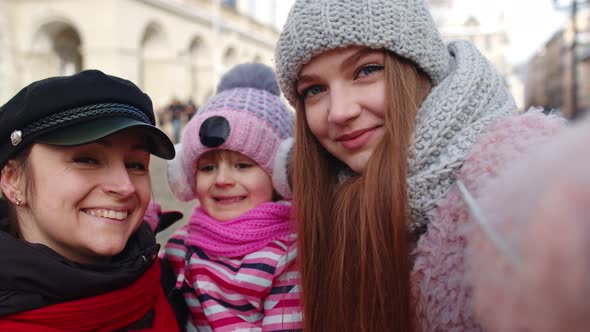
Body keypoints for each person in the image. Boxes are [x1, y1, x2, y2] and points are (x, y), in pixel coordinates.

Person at [274, 0, 567, 331]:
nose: (339, 111)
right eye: (314, 89)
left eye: (367, 70)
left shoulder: (520, 183)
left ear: (419, 70)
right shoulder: (307, 198)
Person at [0, 69, 181, 331]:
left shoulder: (175, 286)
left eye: (136, 164)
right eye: (87, 159)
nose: (125, 186)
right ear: (13, 179)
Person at [162, 63, 301, 331]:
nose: (222, 180)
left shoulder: (287, 256)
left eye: (243, 165)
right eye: (207, 167)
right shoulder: (182, 245)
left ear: (282, 174)